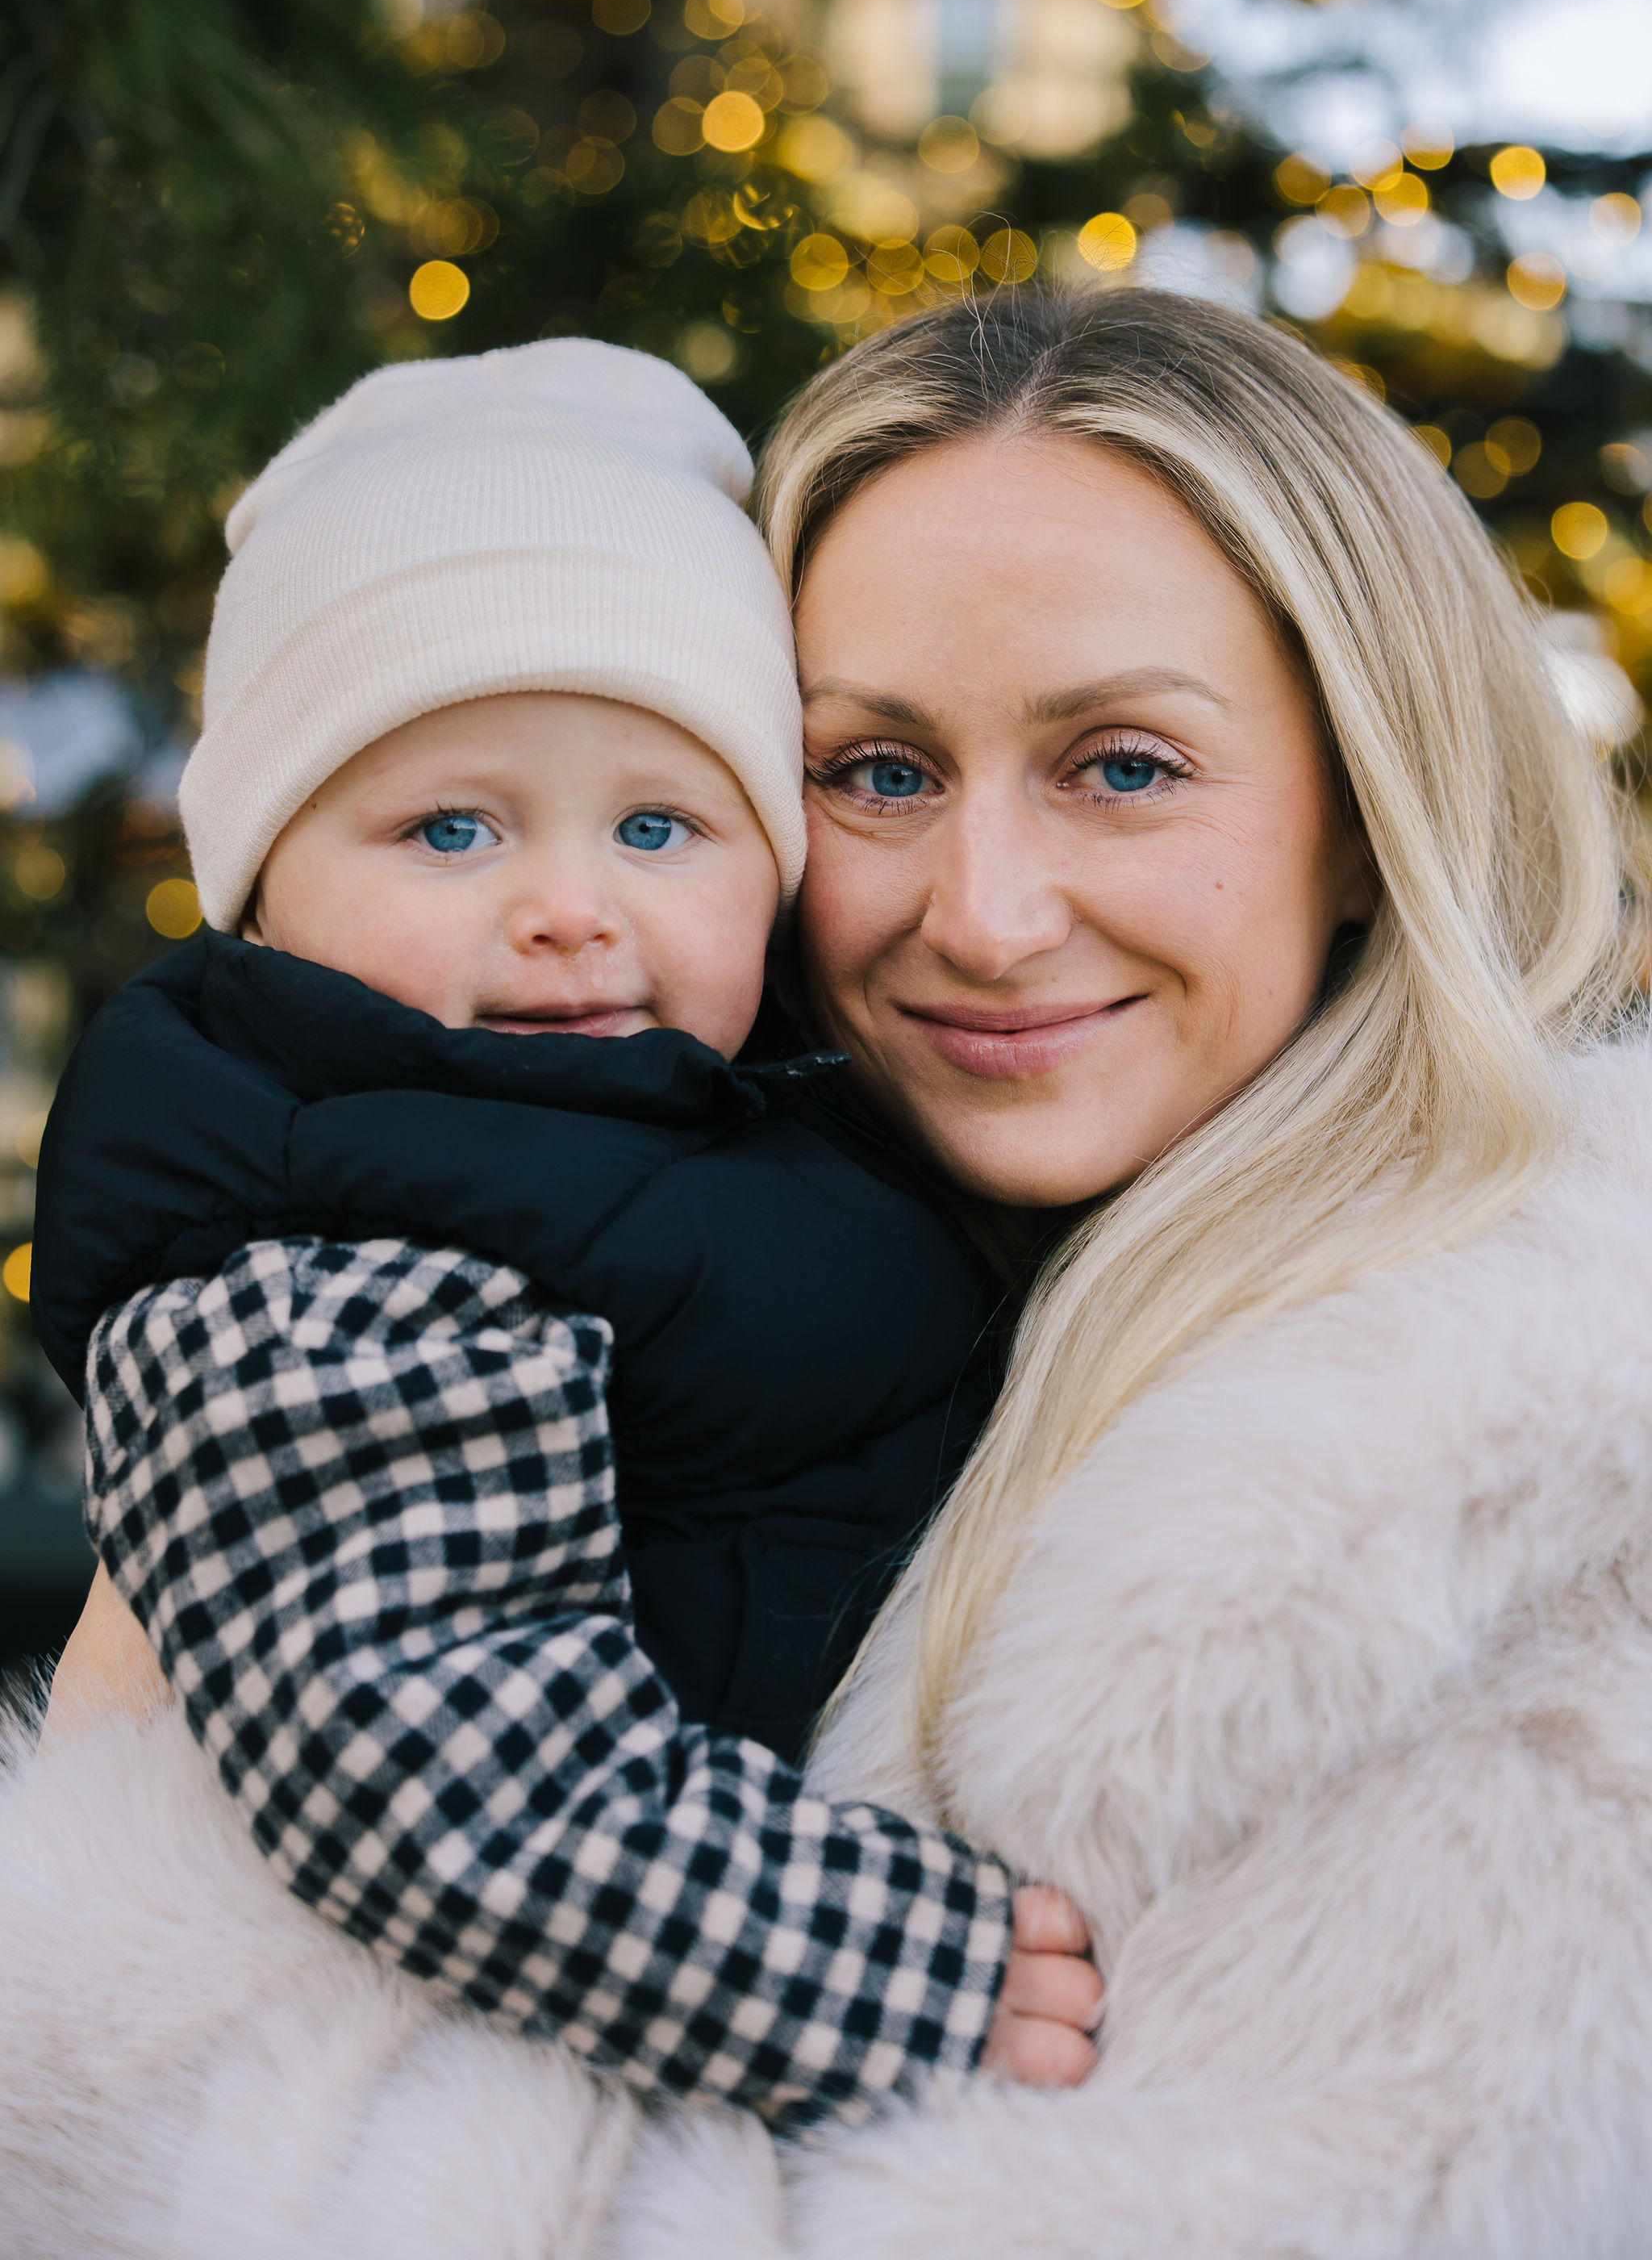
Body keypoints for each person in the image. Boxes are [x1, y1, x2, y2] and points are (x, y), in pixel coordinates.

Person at [14, 286, 1652, 2260]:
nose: (985, 916)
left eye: (1124, 765)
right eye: (875, 770)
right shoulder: (729, 1246)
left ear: (1370, 809)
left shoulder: (1523, 1486)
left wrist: (112, 1945)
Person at [1, 337, 1100, 2257]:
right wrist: (900, 1971)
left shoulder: (763, 1134)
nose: (569, 905)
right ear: (261, 895)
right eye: (452, 828)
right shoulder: (318, 1261)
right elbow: (426, 1754)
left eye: (657, 827)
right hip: (519, 2115)